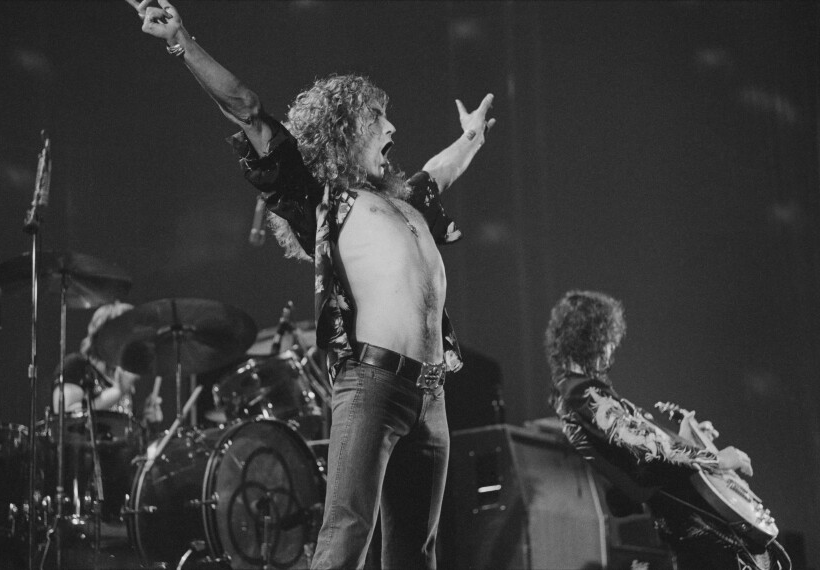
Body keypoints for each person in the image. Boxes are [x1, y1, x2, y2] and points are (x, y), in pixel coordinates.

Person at [136, 2, 494, 568]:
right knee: (345, 538)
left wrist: (471, 138)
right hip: (371, 382)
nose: (393, 128)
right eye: (380, 118)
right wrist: (180, 39)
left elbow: (440, 169)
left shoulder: (404, 201)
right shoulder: (323, 200)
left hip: (429, 392)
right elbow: (249, 111)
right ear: (349, 128)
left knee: (415, 552)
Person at [544, 290, 790, 570]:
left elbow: (641, 459)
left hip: (686, 527)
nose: (611, 350)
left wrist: (685, 439)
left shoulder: (583, 393)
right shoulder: (580, 394)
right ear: (591, 339)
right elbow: (646, 445)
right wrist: (716, 460)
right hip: (684, 532)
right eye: (608, 342)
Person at [52, 301, 162, 425]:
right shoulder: (76, 365)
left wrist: (146, 421)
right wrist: (117, 392)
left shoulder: (123, 376)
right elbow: (67, 417)